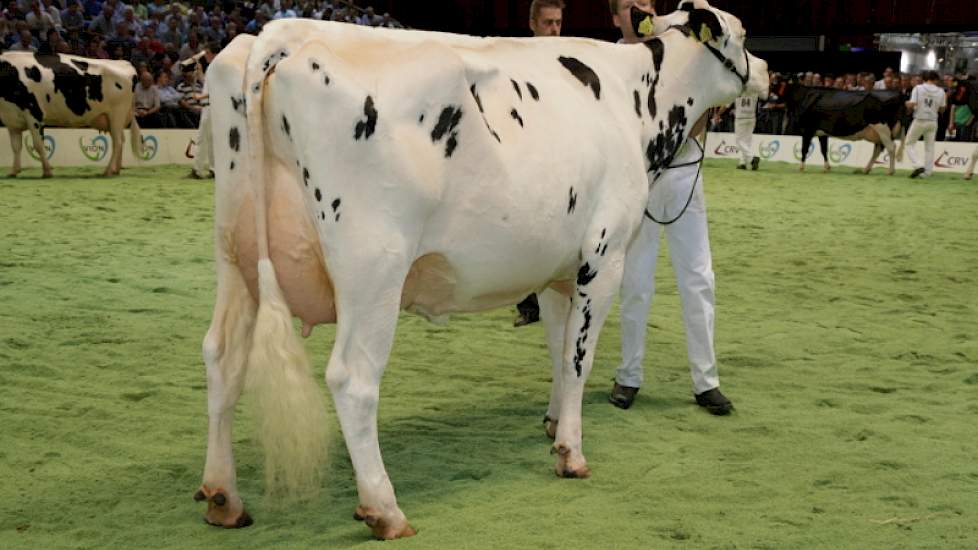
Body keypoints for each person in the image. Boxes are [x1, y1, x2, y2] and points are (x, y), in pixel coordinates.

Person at [608, 0, 732, 415]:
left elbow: (703, 106)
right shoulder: (610, 62)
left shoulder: (680, 48)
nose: (640, 10)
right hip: (636, 180)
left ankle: (706, 380)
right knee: (635, 283)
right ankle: (629, 375)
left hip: (682, 174)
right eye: (630, 5)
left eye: (645, 3)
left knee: (698, 277)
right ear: (616, 16)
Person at [513, 0, 566, 328]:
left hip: (560, 163)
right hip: (524, 161)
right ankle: (526, 303)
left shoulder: (567, 62)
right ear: (532, 23)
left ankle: (556, 298)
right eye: (548, 23)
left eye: (558, 22)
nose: (554, 29)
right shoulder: (517, 61)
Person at [902, 71, 946, 179]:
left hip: (920, 120)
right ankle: (927, 173)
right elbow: (942, 109)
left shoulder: (918, 88)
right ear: (935, 79)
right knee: (929, 147)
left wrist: (906, 103)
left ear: (924, 79)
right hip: (933, 121)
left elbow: (912, 104)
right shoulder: (941, 91)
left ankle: (918, 165)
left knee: (909, 143)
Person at [732, 89, 765, 170]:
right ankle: (742, 163)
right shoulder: (755, 91)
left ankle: (752, 159)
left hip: (740, 118)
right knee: (747, 141)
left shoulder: (737, 90)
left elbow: (727, 104)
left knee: (739, 141)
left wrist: (718, 114)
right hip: (751, 117)